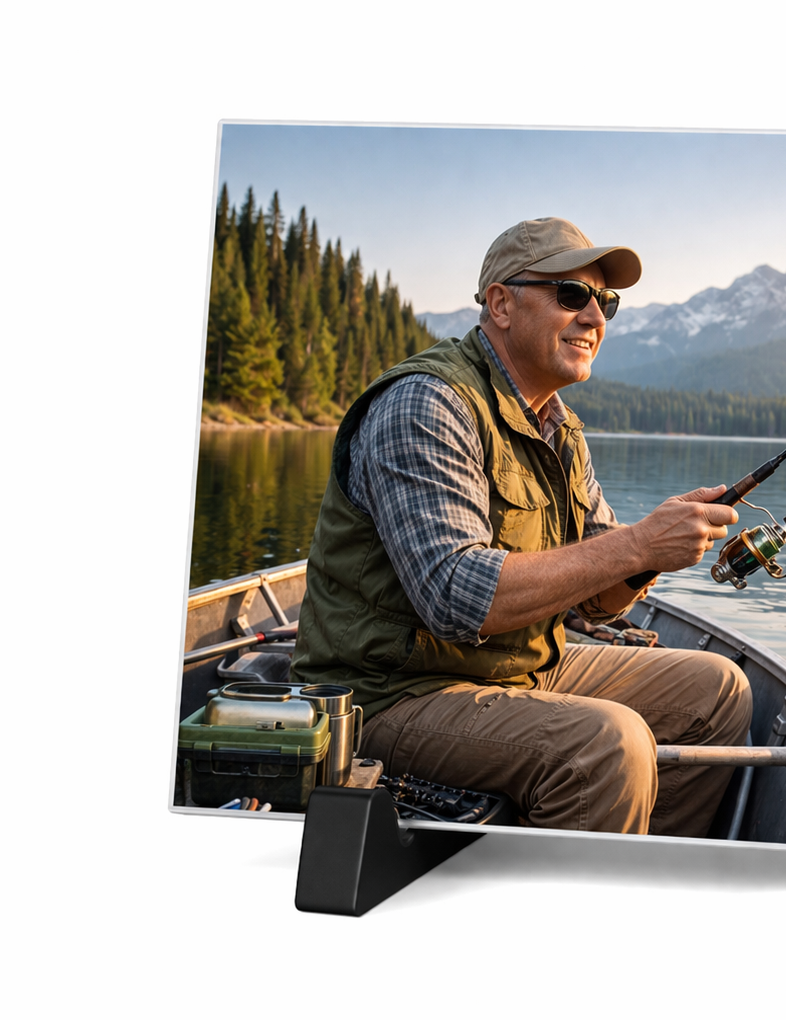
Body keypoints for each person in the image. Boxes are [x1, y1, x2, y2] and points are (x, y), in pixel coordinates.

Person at [292, 217, 751, 836]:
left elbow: (597, 601)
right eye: (572, 295)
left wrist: (650, 557)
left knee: (717, 690)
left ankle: (639, 871)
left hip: (520, 667)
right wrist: (638, 542)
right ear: (501, 304)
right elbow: (456, 598)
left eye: (606, 301)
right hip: (388, 694)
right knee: (606, 746)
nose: (595, 317)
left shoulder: (560, 427)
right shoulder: (426, 403)